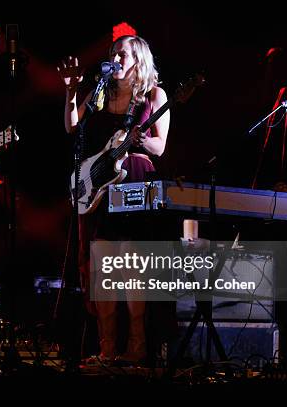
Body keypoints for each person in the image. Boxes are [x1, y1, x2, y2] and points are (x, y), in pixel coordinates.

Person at [58, 35, 171, 364]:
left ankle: (136, 349)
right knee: (104, 268)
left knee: (131, 266)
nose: (115, 59)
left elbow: (160, 147)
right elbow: (72, 127)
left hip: (134, 176)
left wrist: (141, 139)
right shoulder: (101, 92)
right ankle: (108, 349)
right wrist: (70, 91)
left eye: (122, 54)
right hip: (102, 183)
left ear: (138, 59)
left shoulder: (153, 95)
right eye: (113, 54)